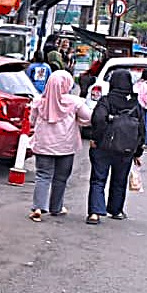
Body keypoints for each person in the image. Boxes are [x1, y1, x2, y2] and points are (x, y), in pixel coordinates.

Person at [28, 70, 93, 222]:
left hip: (43, 145)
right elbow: (89, 117)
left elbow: (32, 120)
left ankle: (38, 207)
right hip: (66, 146)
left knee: (43, 176)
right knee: (61, 178)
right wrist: (78, 121)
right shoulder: (74, 102)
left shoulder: (39, 101)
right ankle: (56, 207)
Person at [86, 69, 146, 224]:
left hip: (104, 146)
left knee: (98, 179)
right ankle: (116, 209)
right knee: (120, 179)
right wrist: (137, 152)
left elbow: (98, 119)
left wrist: (96, 138)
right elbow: (141, 129)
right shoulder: (135, 103)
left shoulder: (106, 101)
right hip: (126, 149)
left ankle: (95, 212)